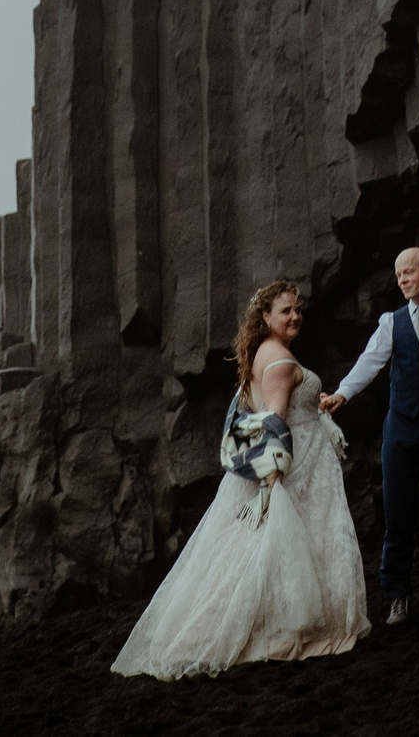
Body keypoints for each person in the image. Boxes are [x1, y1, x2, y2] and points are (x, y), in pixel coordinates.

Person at [109, 279, 369, 677]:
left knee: (258, 550)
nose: (295, 316)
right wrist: (270, 484)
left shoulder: (266, 352)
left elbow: (269, 408)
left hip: (303, 464)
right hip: (293, 471)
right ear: (266, 317)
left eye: (297, 309)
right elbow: (273, 422)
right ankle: (278, 632)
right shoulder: (279, 361)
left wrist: (314, 407)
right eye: (285, 311)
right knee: (272, 549)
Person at [318, 246, 419, 624]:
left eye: (408, 272)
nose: (402, 280)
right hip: (401, 425)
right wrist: (343, 393)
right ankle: (397, 595)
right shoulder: (392, 322)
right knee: (397, 514)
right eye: (397, 275)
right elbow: (370, 361)